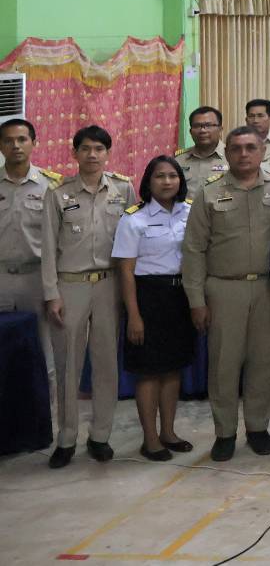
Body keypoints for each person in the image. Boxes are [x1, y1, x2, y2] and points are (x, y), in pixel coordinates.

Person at [182, 126, 270, 461]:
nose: (243, 154)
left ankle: (257, 427)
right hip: (223, 288)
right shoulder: (209, 194)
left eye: (250, 147)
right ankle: (224, 432)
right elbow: (194, 250)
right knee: (224, 363)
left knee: (263, 362)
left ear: (263, 151)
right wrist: (197, 300)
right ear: (227, 153)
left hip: (268, 287)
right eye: (236, 148)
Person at [42, 125, 133, 468]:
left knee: (107, 362)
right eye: (85, 148)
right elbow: (48, 248)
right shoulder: (58, 193)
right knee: (68, 365)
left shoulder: (123, 188)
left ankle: (100, 436)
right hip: (70, 285)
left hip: (110, 285)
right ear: (75, 153)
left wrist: (129, 291)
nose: (92, 154)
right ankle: (66, 438)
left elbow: (130, 243)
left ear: (108, 153)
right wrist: (52, 294)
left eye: (99, 148)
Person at [112, 155, 197, 461]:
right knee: (148, 372)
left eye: (172, 176)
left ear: (180, 180)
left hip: (180, 297)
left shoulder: (191, 212)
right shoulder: (134, 218)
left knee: (173, 368)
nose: (167, 182)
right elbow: (125, 271)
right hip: (148, 298)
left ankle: (169, 432)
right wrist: (133, 315)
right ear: (148, 181)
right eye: (159, 176)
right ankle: (150, 439)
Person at [0, 118, 60, 361]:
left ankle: (49, 402)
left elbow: (60, 240)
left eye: (22, 139)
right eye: (8, 140)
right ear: (1, 146)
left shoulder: (52, 186)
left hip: (37, 280)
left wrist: (54, 290)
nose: (16, 145)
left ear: (34, 143)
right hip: (1, 278)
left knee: (44, 352)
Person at [175, 107, 227, 185]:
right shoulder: (179, 160)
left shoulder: (234, 157)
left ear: (220, 129)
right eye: (197, 126)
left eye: (208, 125)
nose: (203, 130)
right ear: (190, 131)